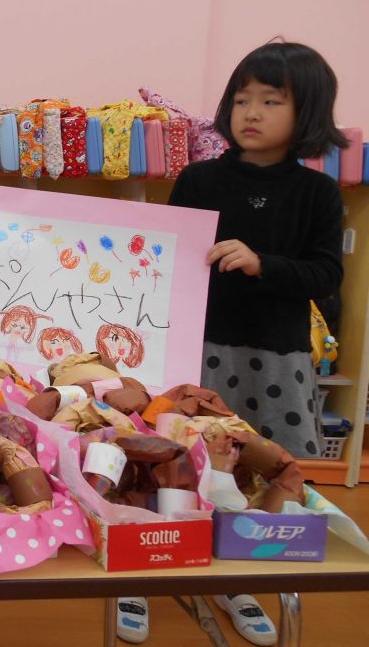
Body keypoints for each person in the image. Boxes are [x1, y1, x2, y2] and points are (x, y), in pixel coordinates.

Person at [117, 41, 346, 646]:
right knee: (168, 460)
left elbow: (326, 274)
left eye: (272, 101)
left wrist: (262, 263)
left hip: (274, 360)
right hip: (193, 353)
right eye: (242, 99)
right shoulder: (200, 178)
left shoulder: (318, 193)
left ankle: (234, 578)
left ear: (307, 113)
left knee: (248, 472)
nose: (252, 112)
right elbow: (162, 256)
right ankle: (143, 564)